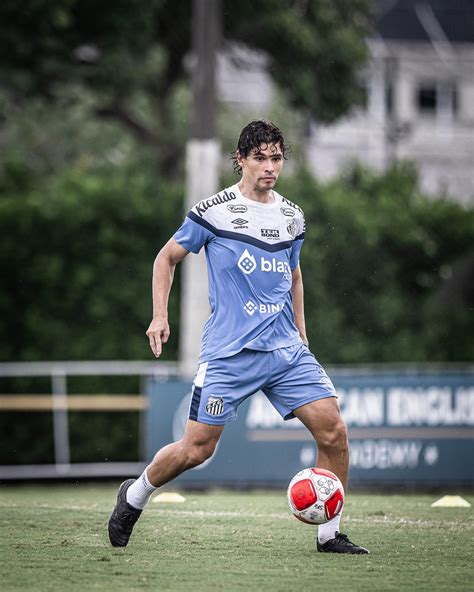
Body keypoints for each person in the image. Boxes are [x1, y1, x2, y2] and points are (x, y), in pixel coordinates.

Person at [108, 120, 368, 554]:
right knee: (196, 450)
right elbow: (166, 258)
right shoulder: (213, 211)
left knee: (334, 433)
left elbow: (294, 272)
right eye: (260, 158)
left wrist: (301, 330)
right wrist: (159, 316)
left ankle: (329, 535)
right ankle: (134, 495)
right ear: (241, 160)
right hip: (229, 354)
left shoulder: (292, 215)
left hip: (285, 350)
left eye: (277, 158)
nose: (270, 167)